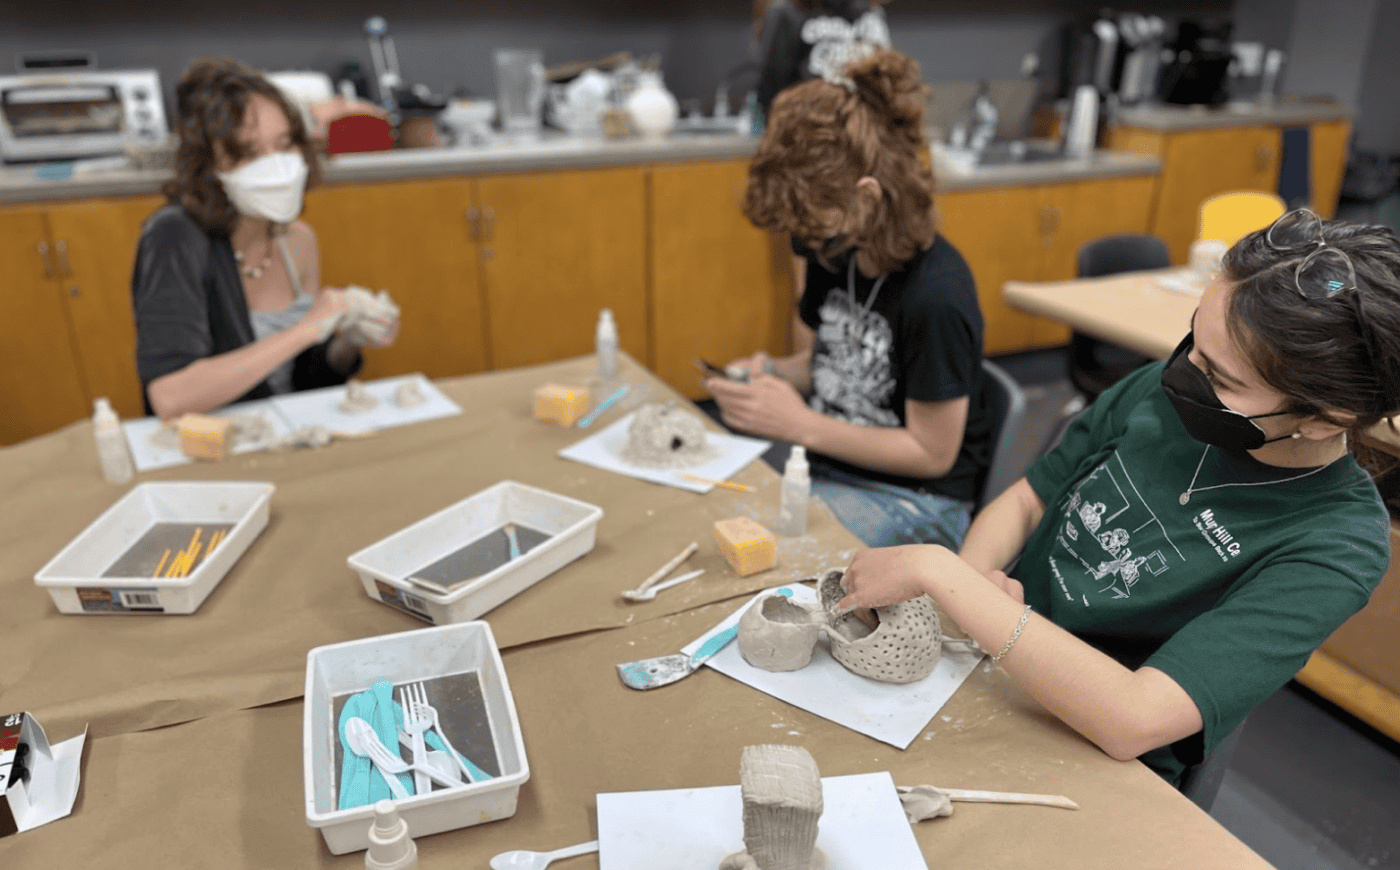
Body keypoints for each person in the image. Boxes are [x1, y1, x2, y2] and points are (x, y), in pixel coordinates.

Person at [836, 209, 1400, 786]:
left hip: (1094, 751)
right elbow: (1030, 499)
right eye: (1194, 343)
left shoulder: (1336, 545)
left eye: (1222, 379)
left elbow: (1134, 717)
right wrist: (976, 581)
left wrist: (947, 579)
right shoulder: (1164, 394)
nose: (1184, 374)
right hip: (994, 664)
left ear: (1325, 420)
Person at [705, 48, 992, 550]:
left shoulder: (936, 296)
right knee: (716, 515)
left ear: (867, 198)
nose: (804, 242)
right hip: (828, 467)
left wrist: (801, 424)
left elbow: (932, 453)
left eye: (813, 226)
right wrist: (772, 373)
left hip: (917, 499)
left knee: (777, 552)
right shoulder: (836, 249)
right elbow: (833, 363)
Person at [131, 57, 398, 420]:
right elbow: (171, 397)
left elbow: (305, 381)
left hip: (288, 431)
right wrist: (308, 327)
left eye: (284, 144)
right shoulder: (174, 237)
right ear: (208, 165)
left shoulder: (298, 240)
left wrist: (346, 340)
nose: (275, 165)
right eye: (248, 153)